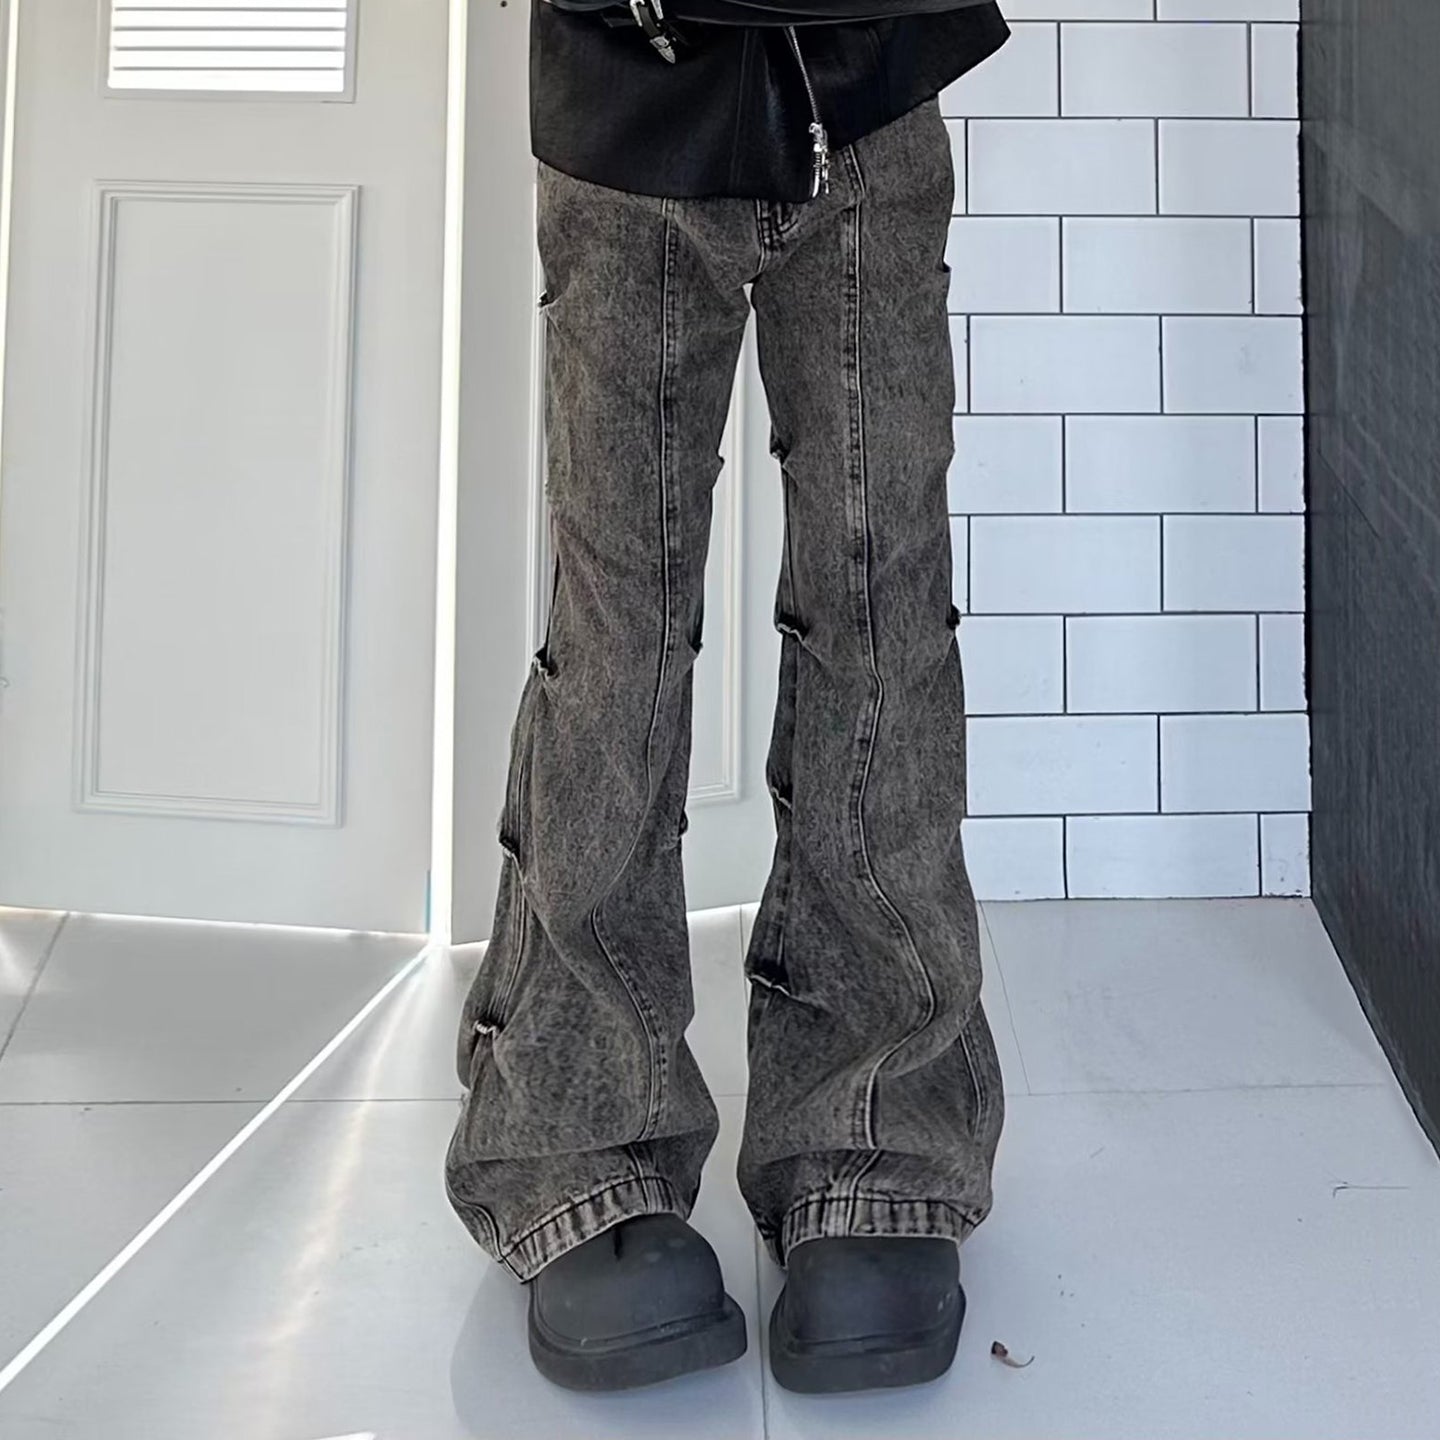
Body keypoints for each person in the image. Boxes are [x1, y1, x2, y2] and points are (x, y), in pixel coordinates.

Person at [445, 0, 1010, 1396]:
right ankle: (579, 1143)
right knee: (619, 642)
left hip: (873, 86)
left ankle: (877, 1135)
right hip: (626, 106)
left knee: (884, 617)